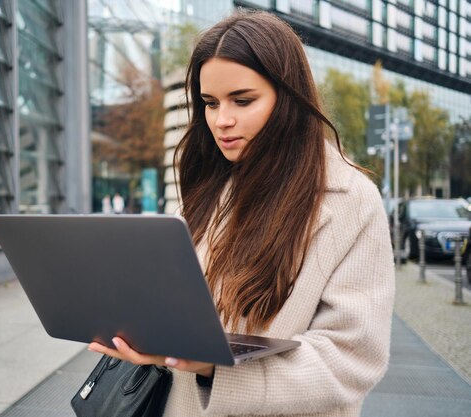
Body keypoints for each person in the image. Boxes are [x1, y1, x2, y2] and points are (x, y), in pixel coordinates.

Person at [88, 10, 394, 417]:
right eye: (210, 103)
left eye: (243, 100)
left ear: (288, 96)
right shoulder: (211, 186)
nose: (222, 121)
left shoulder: (349, 199)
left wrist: (217, 370)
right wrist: (140, 322)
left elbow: (351, 360)